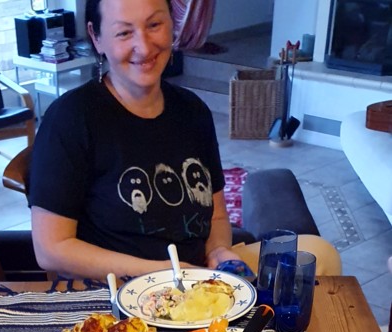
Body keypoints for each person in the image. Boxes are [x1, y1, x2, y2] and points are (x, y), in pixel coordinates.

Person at [30, 0, 341, 281]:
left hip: (199, 276)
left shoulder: (193, 111)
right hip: (120, 287)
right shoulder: (71, 118)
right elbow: (51, 249)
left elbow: (216, 215)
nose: (144, 46)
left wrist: (218, 251)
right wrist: (163, 274)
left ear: (173, 23)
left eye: (154, 24)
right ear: (96, 37)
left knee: (320, 255)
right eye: (124, 33)